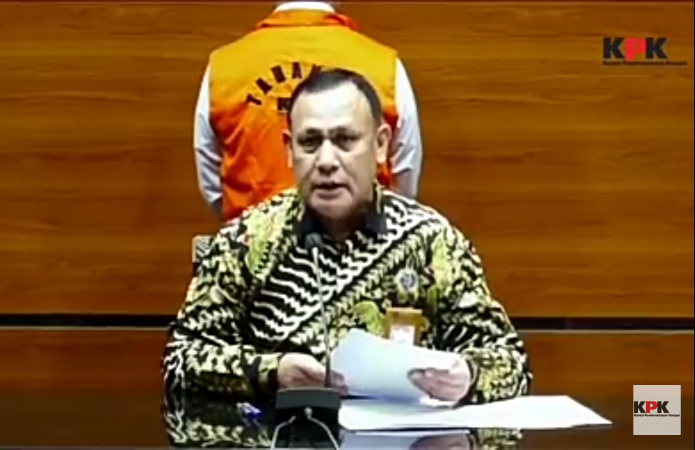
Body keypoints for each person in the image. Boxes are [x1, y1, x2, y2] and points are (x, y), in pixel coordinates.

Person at [163, 69, 532, 406]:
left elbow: (511, 362)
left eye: (344, 140)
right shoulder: (247, 241)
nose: (326, 161)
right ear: (290, 150)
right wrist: (272, 372)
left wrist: (468, 376)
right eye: (310, 142)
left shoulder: (432, 243)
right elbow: (181, 359)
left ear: (381, 145)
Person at [194, 1, 423, 223]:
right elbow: (404, 182)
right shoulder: (383, 66)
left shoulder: (223, 68)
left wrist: (244, 232)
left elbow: (213, 187)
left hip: (249, 243)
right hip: (368, 243)